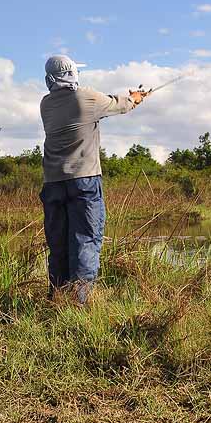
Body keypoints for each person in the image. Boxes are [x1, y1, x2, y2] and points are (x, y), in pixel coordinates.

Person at [39, 55, 147, 304]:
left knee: (59, 245)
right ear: (73, 75)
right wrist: (137, 97)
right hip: (84, 182)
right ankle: (79, 304)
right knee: (85, 241)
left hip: (53, 184)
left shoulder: (45, 104)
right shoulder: (85, 97)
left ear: (49, 80)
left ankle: (57, 299)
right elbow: (123, 105)